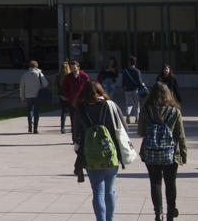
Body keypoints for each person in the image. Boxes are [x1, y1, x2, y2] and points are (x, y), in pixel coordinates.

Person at [73, 81, 129, 221]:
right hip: (111, 154)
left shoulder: (80, 109)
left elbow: (75, 135)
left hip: (91, 156)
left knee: (98, 192)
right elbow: (125, 129)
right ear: (100, 91)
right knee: (109, 191)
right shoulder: (111, 106)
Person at [137, 82, 186, 221]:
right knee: (171, 183)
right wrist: (183, 154)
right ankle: (171, 211)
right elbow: (180, 135)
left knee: (155, 182)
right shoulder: (174, 111)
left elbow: (140, 131)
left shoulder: (146, 110)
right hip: (170, 153)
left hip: (151, 152)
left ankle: (158, 213)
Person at [61, 60, 91, 138]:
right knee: (73, 120)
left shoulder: (84, 76)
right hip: (72, 102)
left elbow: (89, 87)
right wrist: (66, 96)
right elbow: (64, 88)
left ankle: (84, 137)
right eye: (72, 68)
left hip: (83, 101)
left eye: (74, 68)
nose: (73, 69)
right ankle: (74, 138)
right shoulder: (68, 77)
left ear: (78, 67)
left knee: (83, 119)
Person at [19, 60, 49, 134]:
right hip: (37, 95)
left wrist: (22, 97)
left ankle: (30, 127)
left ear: (29, 66)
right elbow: (45, 84)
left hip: (28, 95)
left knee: (29, 111)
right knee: (36, 112)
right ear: (37, 66)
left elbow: (21, 87)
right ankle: (35, 129)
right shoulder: (39, 74)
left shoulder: (25, 75)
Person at [121, 56, 145, 124]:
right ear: (135, 63)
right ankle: (136, 119)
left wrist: (123, 87)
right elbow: (139, 81)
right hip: (135, 89)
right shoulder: (137, 71)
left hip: (127, 89)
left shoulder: (125, 71)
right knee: (136, 105)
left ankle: (128, 116)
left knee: (128, 104)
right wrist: (142, 85)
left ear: (129, 62)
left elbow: (123, 81)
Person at [55, 60, 73, 133]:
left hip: (62, 96)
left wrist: (60, 95)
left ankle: (62, 128)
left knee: (63, 112)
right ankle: (73, 127)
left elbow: (57, 87)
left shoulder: (58, 76)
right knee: (72, 113)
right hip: (70, 96)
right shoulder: (71, 76)